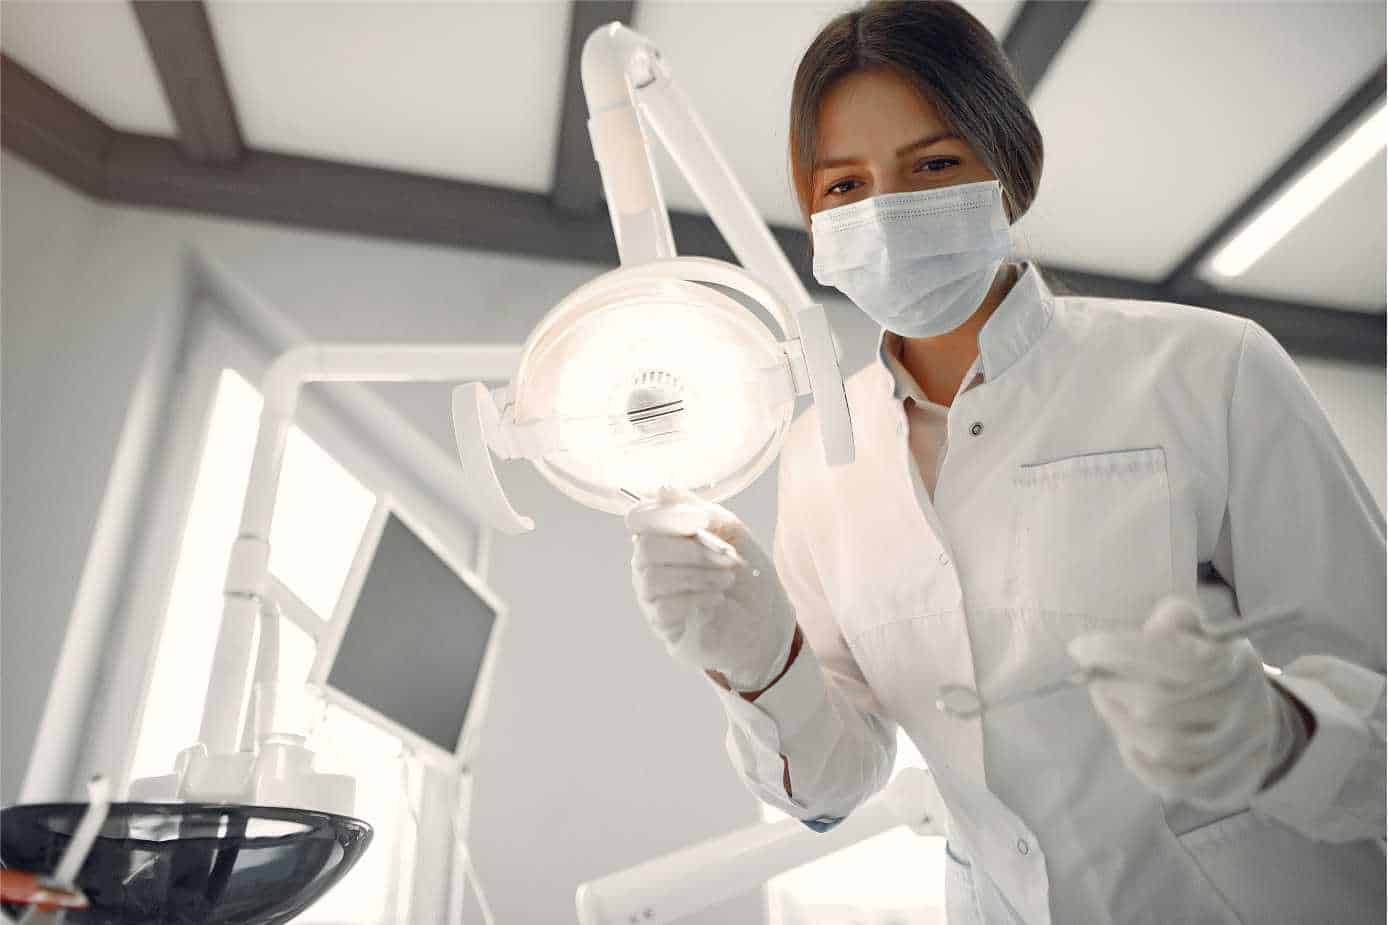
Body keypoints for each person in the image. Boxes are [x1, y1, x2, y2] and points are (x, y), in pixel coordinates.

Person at [626, 2, 1387, 923]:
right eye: (844, 187)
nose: (887, 213)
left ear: (1009, 173)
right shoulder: (818, 458)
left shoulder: (1210, 369)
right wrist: (760, 664)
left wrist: (1279, 738)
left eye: (933, 165)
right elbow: (841, 772)